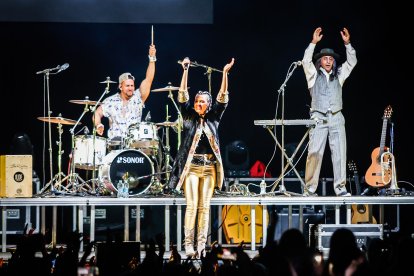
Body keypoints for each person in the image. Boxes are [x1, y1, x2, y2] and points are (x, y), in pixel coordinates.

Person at [168, 57, 235, 258]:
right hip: (191, 168)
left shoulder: (214, 116)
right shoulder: (188, 115)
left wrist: (224, 74)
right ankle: (188, 245)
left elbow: (223, 97)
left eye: (202, 101)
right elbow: (182, 95)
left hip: (209, 168)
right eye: (197, 101)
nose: (198, 104)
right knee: (192, 206)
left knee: (204, 207)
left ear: (208, 104)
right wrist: (185, 70)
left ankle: (201, 246)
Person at [302, 27, 357, 197]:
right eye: (325, 58)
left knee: (340, 153)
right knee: (314, 153)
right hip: (318, 117)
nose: (328, 61)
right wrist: (313, 43)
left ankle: (340, 188)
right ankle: (310, 189)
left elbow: (352, 62)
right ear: (320, 61)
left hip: (336, 116)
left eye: (330, 59)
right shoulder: (313, 75)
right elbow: (305, 61)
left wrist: (347, 44)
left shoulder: (338, 75)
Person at [93, 44, 157, 143]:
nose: (130, 88)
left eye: (132, 86)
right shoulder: (110, 101)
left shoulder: (138, 97)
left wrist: (152, 58)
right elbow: (96, 113)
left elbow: (149, 79)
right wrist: (98, 125)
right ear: (120, 87)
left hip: (134, 144)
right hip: (115, 145)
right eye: (127, 86)